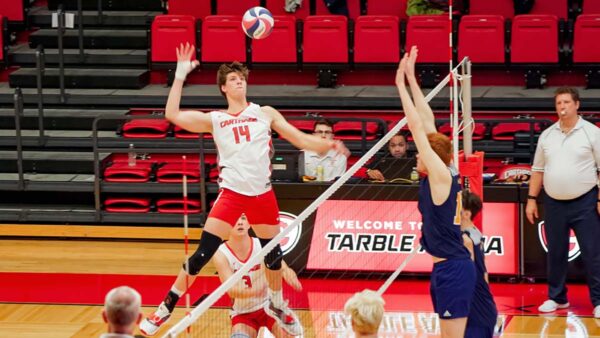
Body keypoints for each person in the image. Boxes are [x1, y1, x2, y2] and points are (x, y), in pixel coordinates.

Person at [139, 43, 348, 336]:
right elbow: (172, 114)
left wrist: (328, 145)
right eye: (233, 79)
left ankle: (276, 303)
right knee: (201, 255)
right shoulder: (216, 119)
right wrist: (180, 76)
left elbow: (300, 139)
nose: (240, 81)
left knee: (273, 255)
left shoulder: (265, 113)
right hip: (232, 196)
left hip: (262, 195)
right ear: (224, 88)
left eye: (242, 78)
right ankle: (163, 311)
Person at [396, 46, 475, 338]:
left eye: (422, 154)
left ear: (432, 157)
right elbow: (427, 121)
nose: (417, 157)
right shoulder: (447, 169)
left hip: (454, 271)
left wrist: (399, 86)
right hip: (445, 269)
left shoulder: (441, 176)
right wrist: (411, 77)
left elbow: (417, 128)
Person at [525, 86, 600, 318]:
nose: (562, 107)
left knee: (592, 252)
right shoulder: (547, 135)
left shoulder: (592, 133)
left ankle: (598, 301)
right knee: (555, 252)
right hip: (554, 202)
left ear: (577, 105)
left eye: (567, 102)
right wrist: (531, 199)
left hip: (585, 202)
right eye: (559, 103)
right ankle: (557, 298)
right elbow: (537, 170)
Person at [212, 214, 302, 338]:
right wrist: (254, 291)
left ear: (249, 223)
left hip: (270, 308)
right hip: (243, 314)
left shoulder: (262, 245)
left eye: (243, 218)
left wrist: (288, 274)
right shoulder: (221, 254)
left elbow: (281, 265)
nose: (240, 223)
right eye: (235, 219)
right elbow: (231, 291)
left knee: (290, 336)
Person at [460, 190, 498, 338]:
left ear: (467, 214)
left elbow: (467, 275)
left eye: (457, 207)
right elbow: (484, 271)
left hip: (478, 308)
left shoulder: (466, 239)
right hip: (484, 302)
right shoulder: (475, 232)